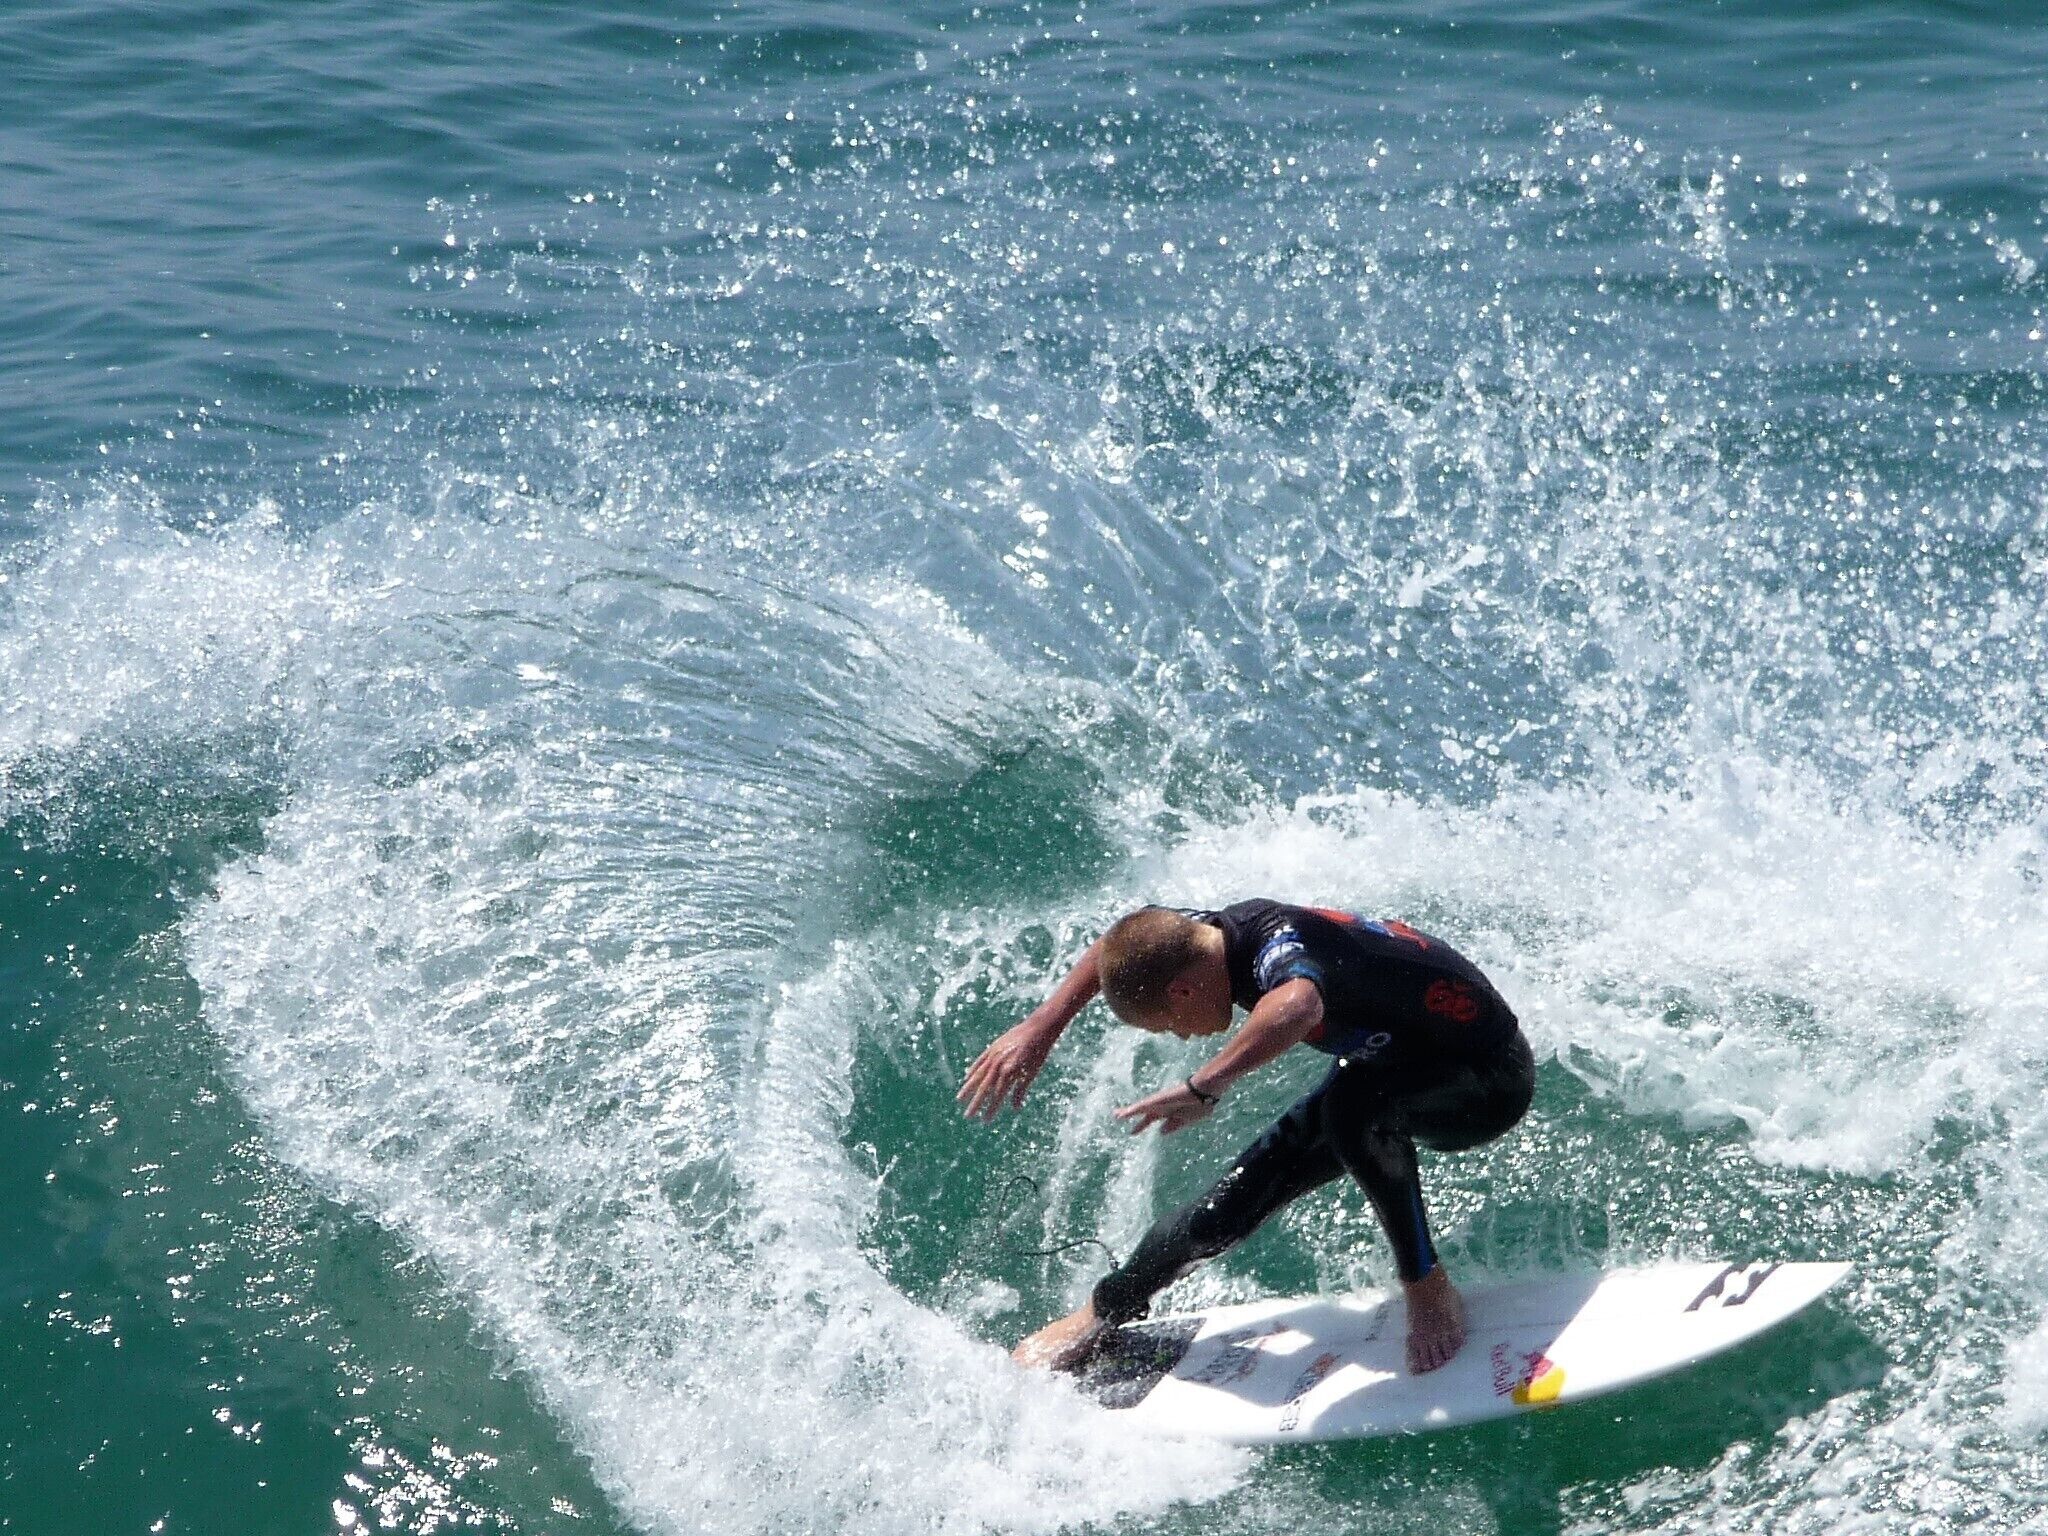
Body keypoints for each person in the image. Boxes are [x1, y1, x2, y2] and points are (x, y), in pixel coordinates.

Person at [958, 900, 1535, 1375]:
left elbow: (1300, 1005)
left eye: (1169, 1022)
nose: (1183, 1035)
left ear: (1183, 991)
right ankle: (1103, 1311)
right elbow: (1125, 941)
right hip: (1392, 1067)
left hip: (1487, 1079)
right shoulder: (1200, 939)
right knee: (1226, 1204)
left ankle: (1426, 1284)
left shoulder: (1276, 949)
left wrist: (1205, 1085)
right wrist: (1041, 1026)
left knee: (1355, 1105)